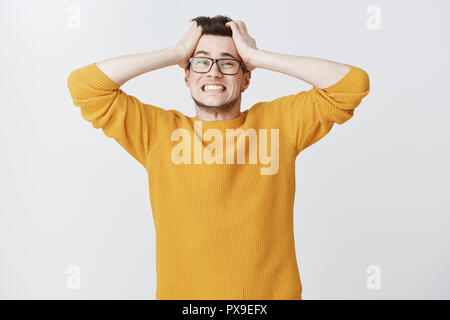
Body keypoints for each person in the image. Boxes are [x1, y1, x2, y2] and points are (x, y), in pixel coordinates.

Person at [67, 15, 370, 300]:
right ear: (186, 75)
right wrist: (174, 53)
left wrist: (258, 57)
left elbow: (351, 85)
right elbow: (85, 87)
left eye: (228, 63)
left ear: (246, 78)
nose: (213, 71)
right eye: (201, 62)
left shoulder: (279, 125)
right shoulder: (158, 133)